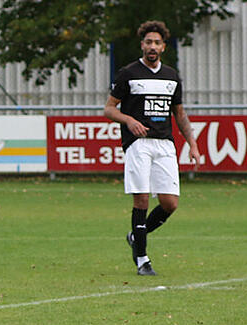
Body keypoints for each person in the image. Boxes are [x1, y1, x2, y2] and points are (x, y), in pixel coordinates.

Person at [104, 20, 202, 277]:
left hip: (165, 144)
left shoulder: (171, 76)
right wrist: (129, 120)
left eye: (157, 42)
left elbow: (179, 114)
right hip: (139, 144)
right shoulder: (128, 73)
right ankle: (142, 260)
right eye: (148, 42)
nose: (152, 46)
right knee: (142, 199)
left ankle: (136, 235)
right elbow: (109, 108)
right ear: (142, 44)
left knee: (170, 203)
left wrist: (192, 143)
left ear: (163, 47)